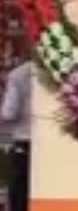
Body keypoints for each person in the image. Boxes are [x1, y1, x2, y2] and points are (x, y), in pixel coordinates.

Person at [2, 56, 31, 211]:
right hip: (49, 144)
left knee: (19, 190)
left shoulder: (17, 74)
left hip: (23, 140)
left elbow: (9, 113)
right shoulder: (56, 74)